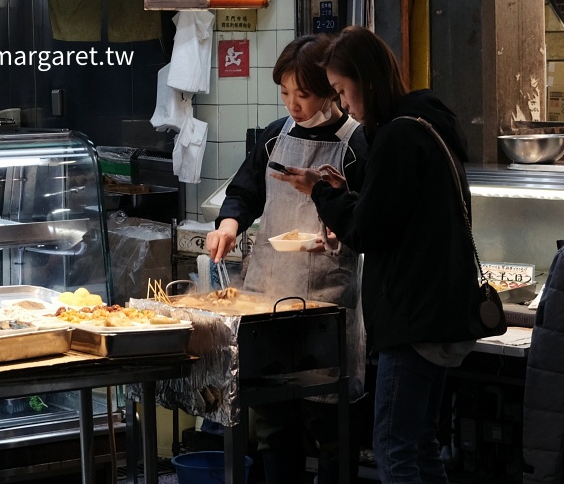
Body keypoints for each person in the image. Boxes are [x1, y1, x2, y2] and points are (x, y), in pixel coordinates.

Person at [272, 26, 480, 484]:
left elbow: (368, 230)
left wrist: (321, 195)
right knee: (423, 445)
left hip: (414, 317)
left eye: (343, 91)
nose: (344, 104)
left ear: (365, 81)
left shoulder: (397, 137)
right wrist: (347, 193)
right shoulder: (427, 121)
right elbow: (392, 212)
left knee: (394, 448)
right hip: (443, 309)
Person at [205, 34, 368, 484]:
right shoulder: (276, 137)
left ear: (331, 90)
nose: (293, 104)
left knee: (330, 428)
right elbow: (243, 192)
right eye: (285, 94)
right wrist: (228, 225)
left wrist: (338, 230)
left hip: (326, 302)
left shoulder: (356, 143)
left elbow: (366, 219)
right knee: (276, 426)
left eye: (304, 94)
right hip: (269, 301)